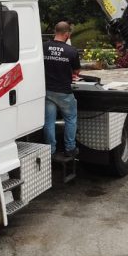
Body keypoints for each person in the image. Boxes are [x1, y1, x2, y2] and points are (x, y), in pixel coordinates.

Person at [43, 21, 81, 161]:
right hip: (64, 92)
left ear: (55, 31)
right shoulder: (71, 51)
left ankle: (51, 150)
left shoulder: (43, 47)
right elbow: (77, 71)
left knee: (49, 122)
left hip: (47, 91)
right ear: (67, 34)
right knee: (70, 119)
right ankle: (70, 148)